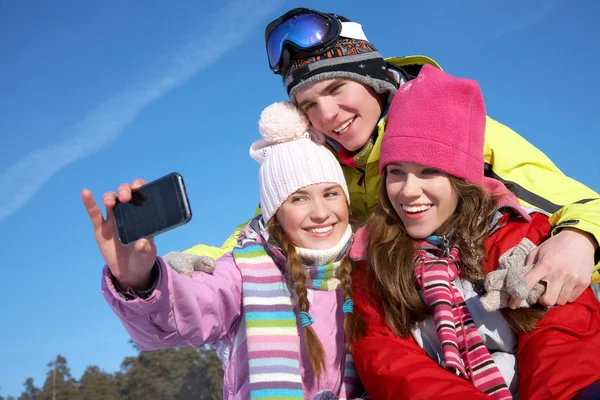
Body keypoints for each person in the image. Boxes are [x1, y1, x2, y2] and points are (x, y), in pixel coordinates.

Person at [184, 7, 599, 308]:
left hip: (546, 300)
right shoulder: (319, 165)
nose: (327, 116)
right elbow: (267, 229)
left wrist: (582, 238)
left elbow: (582, 203)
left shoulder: (449, 124)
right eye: (308, 104)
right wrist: (202, 263)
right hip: (434, 322)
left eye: (335, 89)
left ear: (373, 79)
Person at [81, 102, 366, 399]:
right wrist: (140, 281)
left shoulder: (369, 270)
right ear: (274, 213)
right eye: (299, 199)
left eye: (331, 193)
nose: (320, 212)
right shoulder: (242, 273)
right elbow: (187, 311)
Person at [347, 65, 600, 399]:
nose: (408, 190)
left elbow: (561, 338)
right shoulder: (372, 259)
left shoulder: (519, 234)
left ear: (460, 178)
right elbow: (390, 362)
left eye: (429, 171)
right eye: (396, 172)